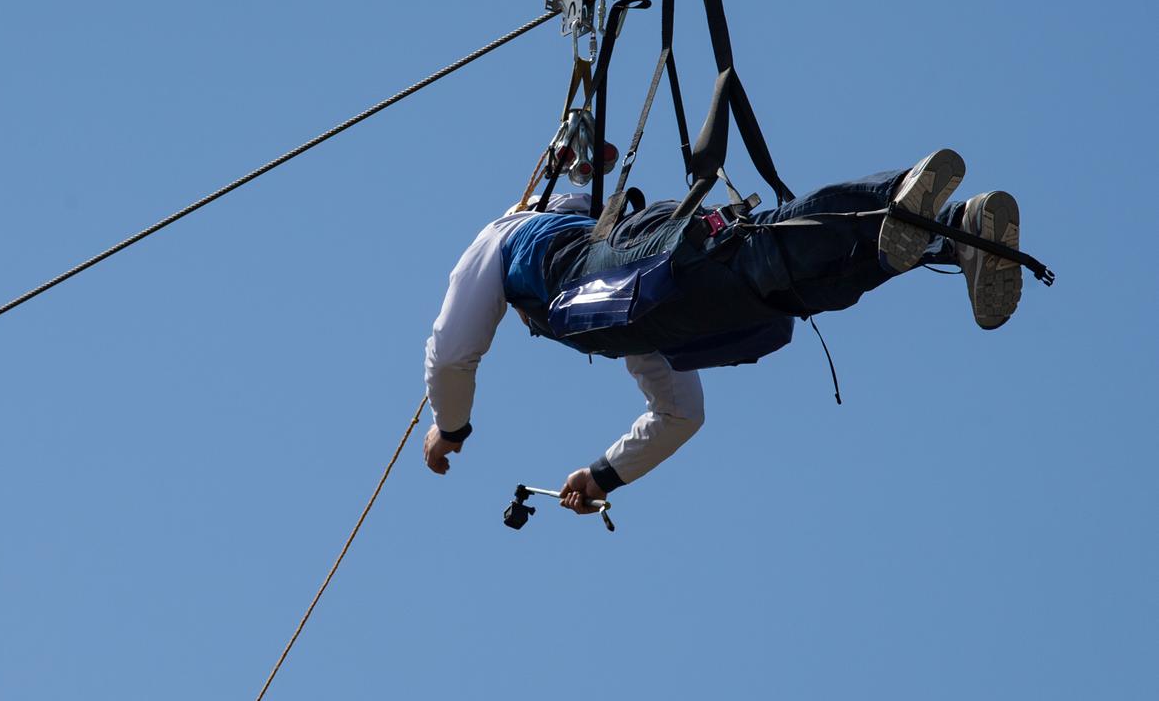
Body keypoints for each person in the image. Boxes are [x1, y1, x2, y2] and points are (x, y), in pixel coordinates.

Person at [421, 149, 1023, 516]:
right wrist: (602, 474)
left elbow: (450, 353)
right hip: (652, 295)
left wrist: (449, 429)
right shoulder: (625, 320)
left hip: (632, 264)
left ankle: (898, 196)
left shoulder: (504, 239)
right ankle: (958, 233)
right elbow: (679, 413)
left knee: (759, 250)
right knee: (789, 285)